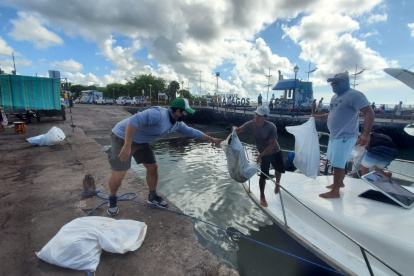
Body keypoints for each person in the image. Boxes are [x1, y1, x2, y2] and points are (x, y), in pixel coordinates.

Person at [106, 98, 222, 215]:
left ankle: (152, 197)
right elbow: (133, 121)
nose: (186, 114)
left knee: (153, 167)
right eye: (185, 112)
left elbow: (192, 131)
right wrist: (127, 145)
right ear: (177, 111)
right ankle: (112, 198)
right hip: (122, 137)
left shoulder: (177, 123)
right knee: (120, 172)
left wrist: (211, 139)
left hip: (142, 141)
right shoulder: (158, 114)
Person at [312, 72, 374, 199]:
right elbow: (332, 113)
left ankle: (335, 192)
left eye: (337, 82)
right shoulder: (335, 97)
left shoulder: (354, 95)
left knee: (338, 163)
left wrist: (365, 134)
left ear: (345, 82)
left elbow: (369, 112)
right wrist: (319, 117)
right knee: (335, 162)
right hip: (334, 136)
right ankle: (339, 183)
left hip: (345, 135)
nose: (333, 85)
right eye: (332, 82)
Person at [234, 106, 285, 207]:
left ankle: (277, 184)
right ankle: (262, 196)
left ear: (265, 117)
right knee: (263, 176)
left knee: (278, 170)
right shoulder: (251, 124)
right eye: (256, 114)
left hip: (274, 151)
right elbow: (239, 129)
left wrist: (260, 155)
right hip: (263, 154)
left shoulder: (271, 127)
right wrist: (234, 129)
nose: (257, 117)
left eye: (260, 116)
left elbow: (272, 145)